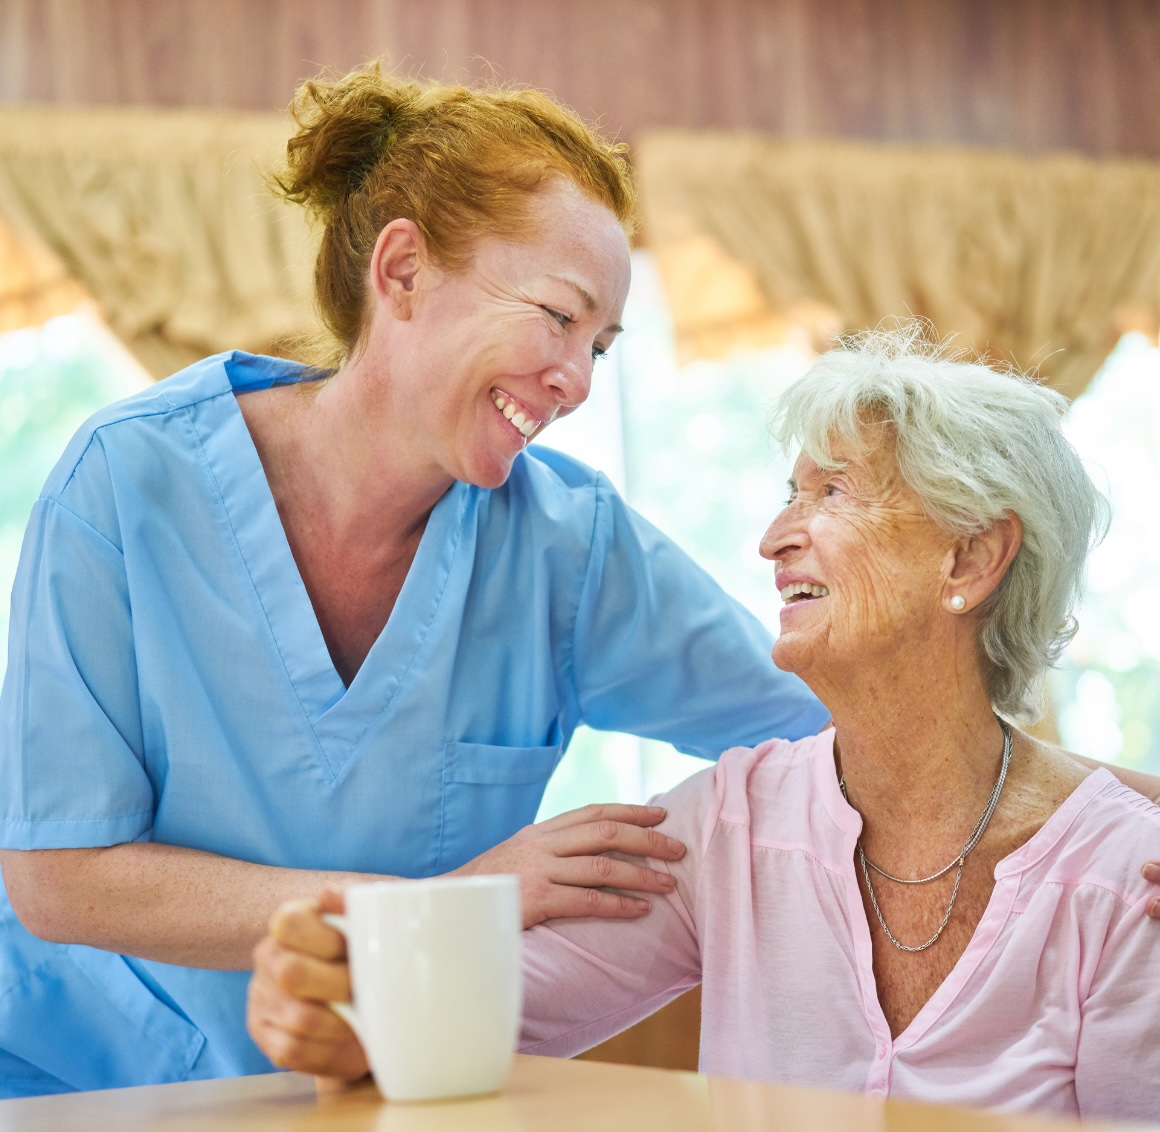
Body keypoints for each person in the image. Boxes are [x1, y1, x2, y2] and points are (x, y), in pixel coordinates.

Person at [0, 68, 836, 1099]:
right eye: (557, 318)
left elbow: (828, 721)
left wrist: (1072, 814)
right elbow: (58, 878)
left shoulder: (568, 546)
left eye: (601, 346)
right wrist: (451, 901)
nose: (576, 380)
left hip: (363, 1093)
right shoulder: (128, 482)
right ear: (401, 273)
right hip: (73, 1081)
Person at [250, 329, 1160, 1121]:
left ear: (970, 554)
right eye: (789, 492)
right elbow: (447, 1023)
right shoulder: (728, 826)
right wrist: (337, 1001)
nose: (773, 536)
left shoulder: (1127, 883)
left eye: (833, 493)